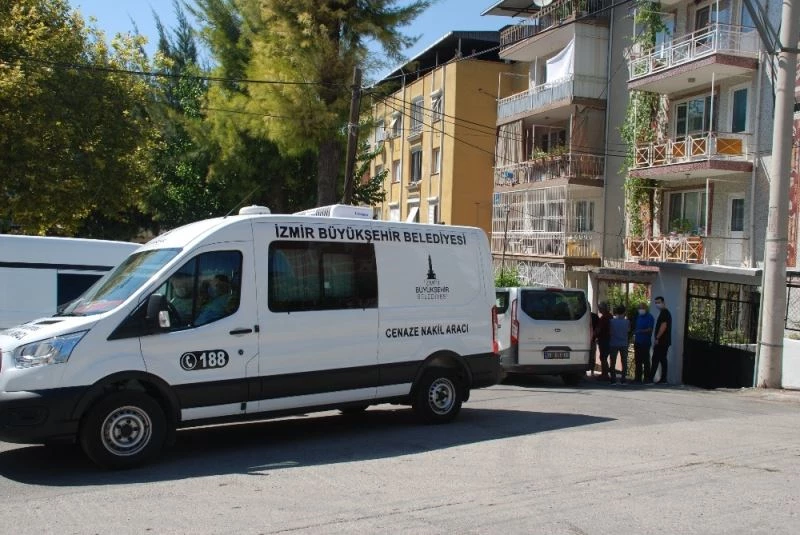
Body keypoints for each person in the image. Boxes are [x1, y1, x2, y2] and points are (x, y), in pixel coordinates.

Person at [649, 295, 672, 384]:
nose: (657, 304)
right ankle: (663, 378)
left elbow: (663, 326)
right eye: (656, 303)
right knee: (662, 359)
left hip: (662, 341)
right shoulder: (664, 313)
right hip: (665, 341)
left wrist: (657, 338)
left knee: (656, 358)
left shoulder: (665, 313)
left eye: (659, 302)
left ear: (663, 303)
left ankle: (650, 378)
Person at [633, 302, 655, 383]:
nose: (640, 310)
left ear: (646, 309)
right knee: (638, 360)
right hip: (637, 341)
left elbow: (650, 329)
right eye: (639, 308)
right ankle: (638, 378)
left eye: (642, 308)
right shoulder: (638, 317)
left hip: (645, 342)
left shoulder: (650, 317)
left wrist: (640, 331)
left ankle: (646, 378)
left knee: (646, 360)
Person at [608, 305, 630, 384]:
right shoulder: (627, 322)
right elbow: (628, 330)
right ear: (624, 312)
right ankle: (623, 379)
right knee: (624, 362)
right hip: (624, 343)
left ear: (616, 312)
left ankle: (613, 379)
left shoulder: (611, 321)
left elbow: (610, 332)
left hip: (614, 343)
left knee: (613, 362)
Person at [595, 302, 611, 381]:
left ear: (602, 308)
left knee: (603, 357)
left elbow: (599, 329)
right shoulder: (610, 316)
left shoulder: (604, 318)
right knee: (604, 357)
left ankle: (605, 375)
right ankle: (605, 374)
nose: (599, 310)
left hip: (604, 339)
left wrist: (594, 336)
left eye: (599, 308)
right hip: (609, 339)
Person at [588, 305, 599, 376]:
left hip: (590, 340)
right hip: (592, 340)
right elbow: (598, 328)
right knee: (592, 356)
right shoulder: (595, 316)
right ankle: (591, 371)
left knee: (590, 356)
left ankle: (591, 371)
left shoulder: (594, 316)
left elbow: (598, 327)